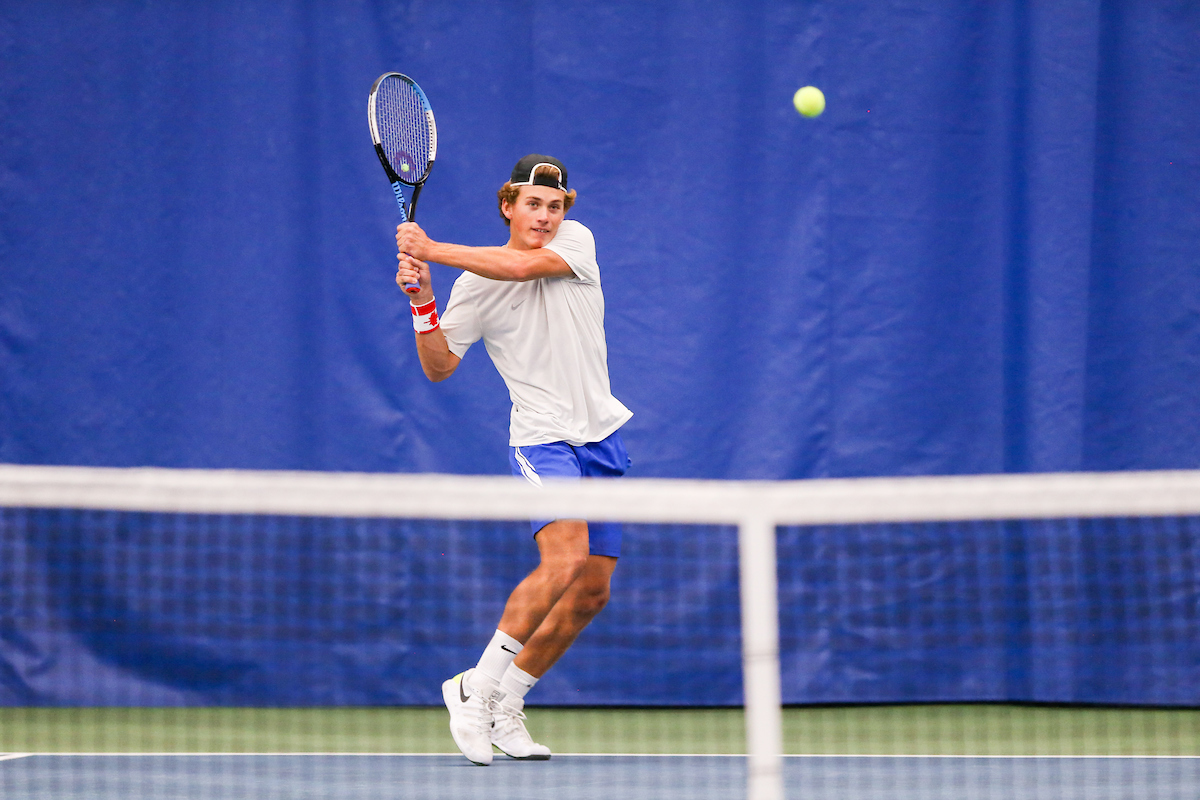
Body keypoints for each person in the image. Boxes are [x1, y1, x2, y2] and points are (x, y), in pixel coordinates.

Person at [393, 154, 632, 766]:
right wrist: (423, 300)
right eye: (533, 204)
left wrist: (433, 249)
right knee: (566, 558)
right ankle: (474, 692)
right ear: (508, 206)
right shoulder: (474, 286)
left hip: (599, 436)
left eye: (554, 205)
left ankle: (506, 701)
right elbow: (441, 365)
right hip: (542, 440)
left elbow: (525, 267)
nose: (546, 216)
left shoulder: (575, 243)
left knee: (591, 591)